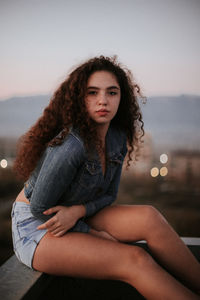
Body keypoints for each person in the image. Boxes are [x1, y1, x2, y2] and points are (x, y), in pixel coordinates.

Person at [12, 56, 200, 300]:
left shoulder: (116, 137)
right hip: (37, 224)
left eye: (112, 92)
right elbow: (39, 208)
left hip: (72, 211)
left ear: (121, 98)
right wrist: (90, 232)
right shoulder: (72, 146)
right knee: (134, 259)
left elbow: (110, 195)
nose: (103, 100)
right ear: (80, 98)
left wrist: (79, 211)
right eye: (92, 92)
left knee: (150, 218)